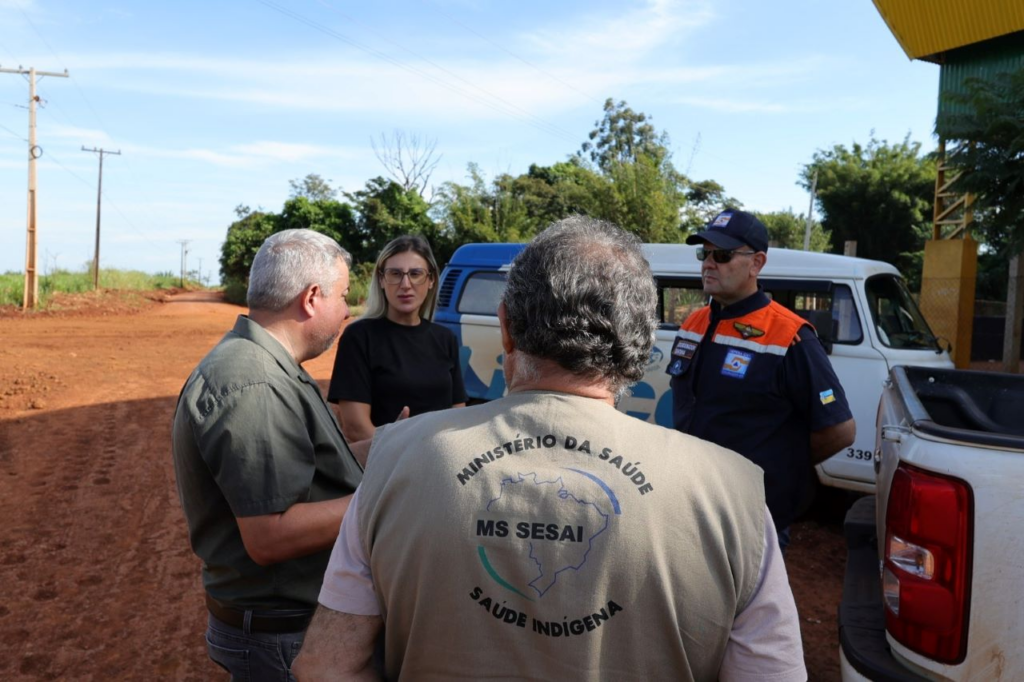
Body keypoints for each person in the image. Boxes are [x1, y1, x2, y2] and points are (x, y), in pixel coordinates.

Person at [293, 217, 806, 681]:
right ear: (638, 340)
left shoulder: (395, 459)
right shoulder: (732, 495)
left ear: (507, 328)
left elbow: (324, 668)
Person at [171, 229, 364, 682]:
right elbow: (270, 536)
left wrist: (389, 447)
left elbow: (304, 470)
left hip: (282, 629)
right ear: (313, 297)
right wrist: (387, 495)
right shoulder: (253, 383)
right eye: (344, 296)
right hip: (282, 637)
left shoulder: (267, 365)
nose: (348, 310)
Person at [670, 208, 856, 550]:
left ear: (756, 263)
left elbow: (840, 430)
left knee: (745, 606)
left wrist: (782, 465)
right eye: (705, 253)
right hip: (690, 505)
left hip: (750, 519)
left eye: (722, 255)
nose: (709, 263)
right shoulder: (693, 324)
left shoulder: (790, 336)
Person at [328, 234, 466, 442]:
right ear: (382, 280)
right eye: (395, 274)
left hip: (440, 465)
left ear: (430, 280)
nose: (405, 284)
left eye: (415, 273)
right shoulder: (359, 337)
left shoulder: (445, 338)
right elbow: (356, 427)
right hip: (387, 468)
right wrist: (406, 456)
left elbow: (457, 413)